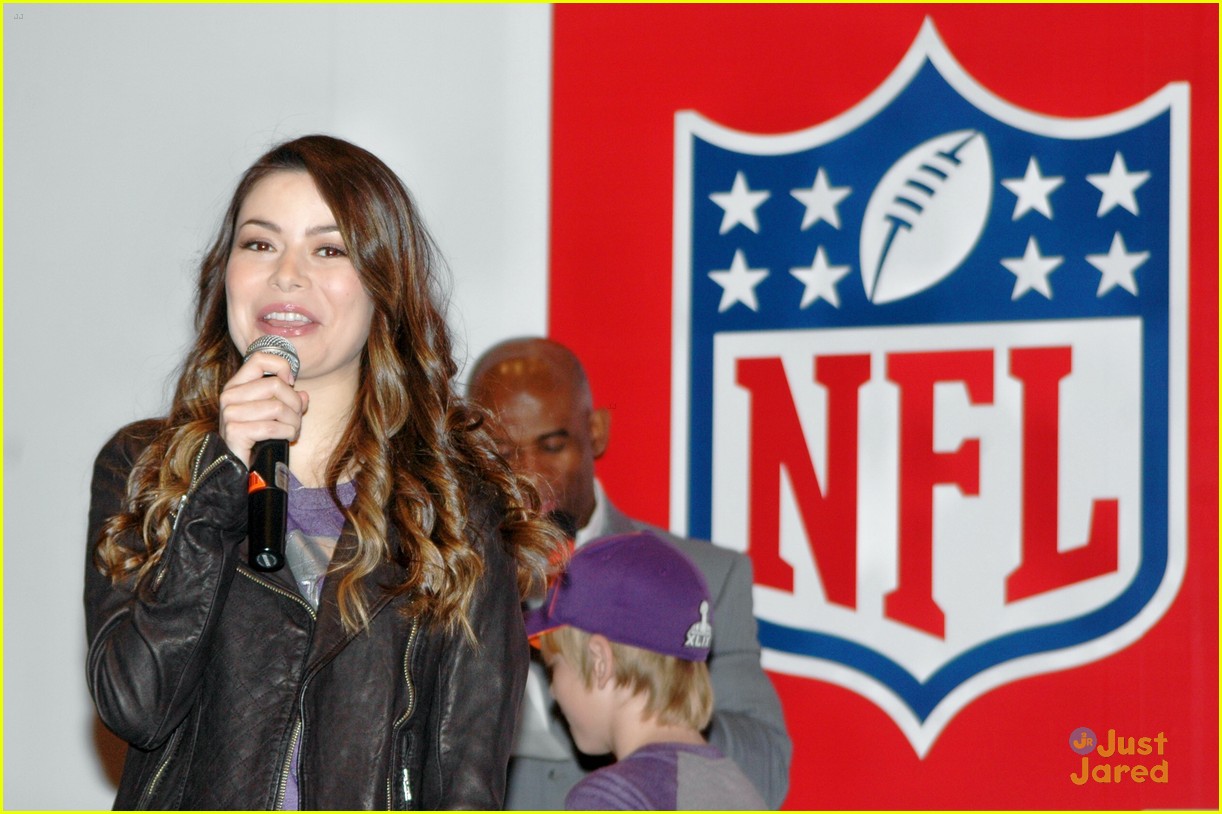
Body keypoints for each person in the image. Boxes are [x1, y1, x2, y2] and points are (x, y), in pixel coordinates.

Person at [84, 135, 559, 810]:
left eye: (328, 249)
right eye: (259, 244)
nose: (287, 275)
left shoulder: (451, 503)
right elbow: (134, 705)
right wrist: (223, 478)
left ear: (382, 284)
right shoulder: (145, 470)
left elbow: (467, 778)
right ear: (226, 274)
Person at [468, 337, 792, 809]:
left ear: (595, 431)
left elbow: (765, 771)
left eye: (552, 444)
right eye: (499, 452)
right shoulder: (436, 584)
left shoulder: (697, 576)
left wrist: (657, 703)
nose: (527, 475)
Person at [526, 531, 767, 810]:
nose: (553, 690)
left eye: (553, 667)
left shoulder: (610, 798)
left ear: (599, 662)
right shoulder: (740, 789)